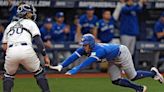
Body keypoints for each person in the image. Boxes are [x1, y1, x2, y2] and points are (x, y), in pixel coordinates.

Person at [51, 34, 164, 92]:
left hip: (122, 53)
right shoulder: (86, 49)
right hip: (112, 59)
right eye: (83, 45)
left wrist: (76, 69)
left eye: (85, 44)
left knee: (133, 76)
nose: (83, 47)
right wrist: (61, 65)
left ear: (90, 44)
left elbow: (88, 62)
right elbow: (73, 56)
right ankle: (139, 89)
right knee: (115, 80)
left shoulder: (99, 50)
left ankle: (153, 74)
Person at [2, 3, 51, 92]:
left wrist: (13, 56)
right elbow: (38, 41)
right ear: (26, 13)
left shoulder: (10, 25)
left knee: (8, 75)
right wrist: (45, 56)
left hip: (11, 51)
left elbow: (4, 46)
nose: (32, 14)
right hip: (26, 49)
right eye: (30, 12)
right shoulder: (30, 23)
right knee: (39, 72)